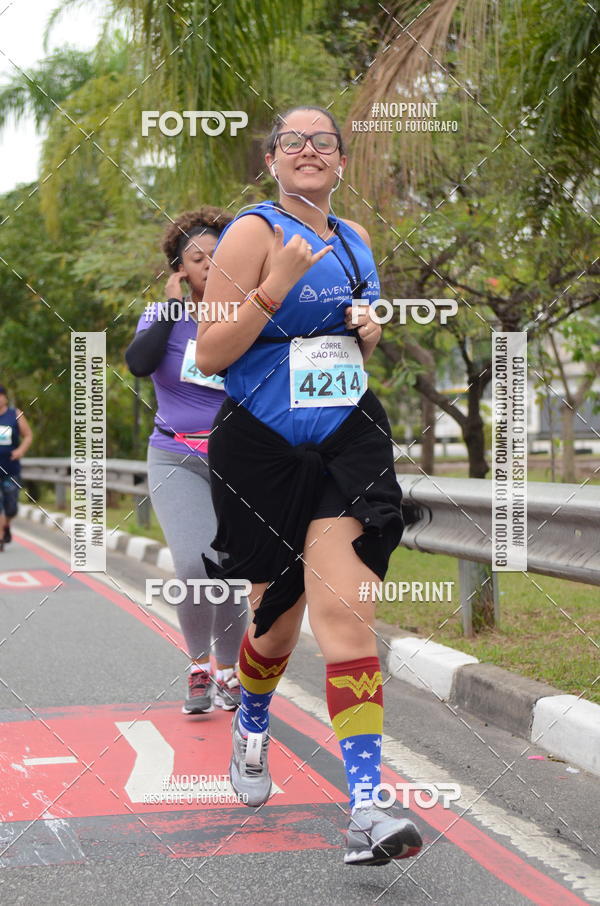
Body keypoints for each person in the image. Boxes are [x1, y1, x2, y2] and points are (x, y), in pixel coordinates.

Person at [196, 107, 423, 866]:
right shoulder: (252, 234)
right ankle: (253, 719)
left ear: (340, 160)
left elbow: (354, 338)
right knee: (277, 624)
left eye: (323, 140)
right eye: (292, 141)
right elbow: (210, 350)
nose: (308, 150)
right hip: (260, 450)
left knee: (345, 615)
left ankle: (366, 806)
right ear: (272, 161)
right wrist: (275, 286)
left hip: (345, 443)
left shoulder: (356, 241)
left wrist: (369, 330)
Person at [125, 207, 247, 715]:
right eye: (196, 257)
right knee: (195, 565)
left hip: (239, 458)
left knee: (231, 571)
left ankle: (228, 670)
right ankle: (199, 666)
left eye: (219, 256)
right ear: (179, 268)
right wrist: (175, 308)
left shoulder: (248, 315)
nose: (208, 264)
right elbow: (137, 363)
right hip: (175, 454)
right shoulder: (160, 317)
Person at [0, 384, 33, 551]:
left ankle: (5, 525)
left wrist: (20, 450)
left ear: (5, 397)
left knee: (11, 507)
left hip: (11, 468)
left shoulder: (15, 414)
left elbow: (28, 435)